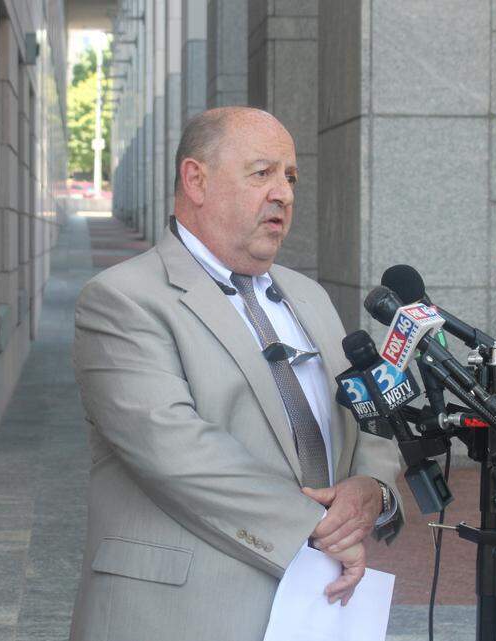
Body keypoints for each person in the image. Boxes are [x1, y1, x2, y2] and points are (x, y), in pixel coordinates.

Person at [70, 106, 404, 640]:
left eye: (291, 176)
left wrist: (372, 490)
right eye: (262, 172)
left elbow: (367, 414)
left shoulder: (311, 296)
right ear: (195, 180)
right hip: (178, 614)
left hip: (317, 607)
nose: (284, 193)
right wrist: (322, 527)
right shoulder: (122, 299)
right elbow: (175, 451)